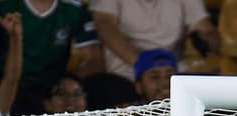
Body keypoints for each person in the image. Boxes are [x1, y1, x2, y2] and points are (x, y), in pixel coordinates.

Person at [0, 0, 100, 115]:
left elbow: (93, 61)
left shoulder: (75, 9)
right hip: (5, 88)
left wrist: (68, 89)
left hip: (50, 92)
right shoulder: (1, 5)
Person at [90, 0, 219, 83]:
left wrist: (209, 41)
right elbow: (104, 24)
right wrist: (143, 64)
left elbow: (205, 28)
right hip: (125, 74)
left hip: (173, 72)